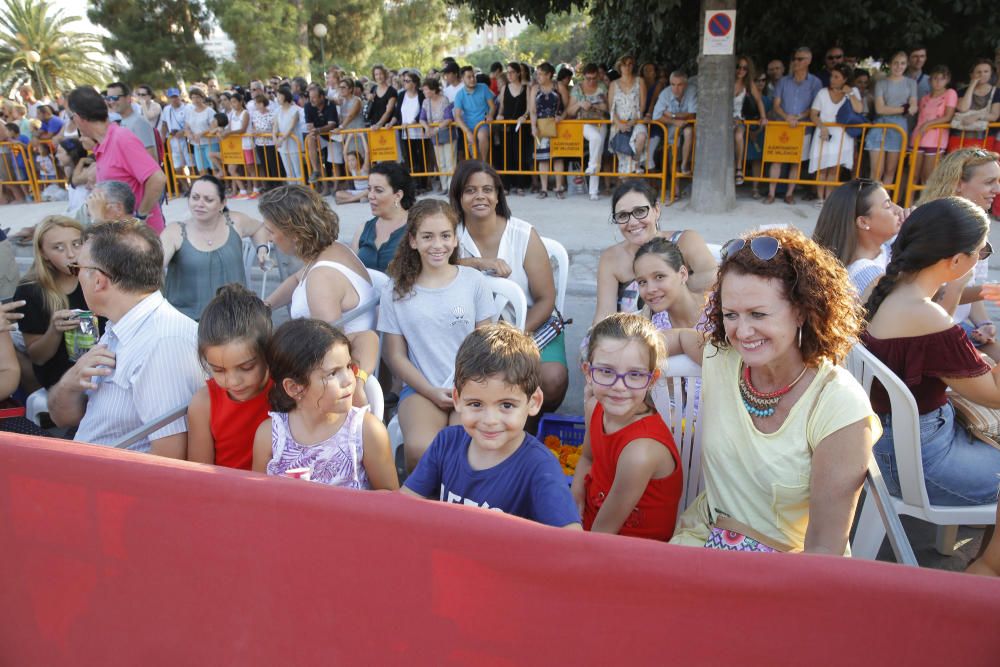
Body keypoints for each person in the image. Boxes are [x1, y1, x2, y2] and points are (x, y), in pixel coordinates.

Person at [671, 228, 879, 554]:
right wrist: (622, 358)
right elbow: (680, 338)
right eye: (730, 315)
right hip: (701, 537)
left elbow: (825, 548)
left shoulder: (839, 406)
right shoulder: (724, 358)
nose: (742, 331)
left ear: (801, 310)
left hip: (784, 567)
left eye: (758, 314)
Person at [863, 197, 1000, 506]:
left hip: (894, 447)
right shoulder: (926, 316)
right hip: (922, 463)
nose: (980, 260)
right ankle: (989, 558)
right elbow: (994, 394)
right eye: (981, 252)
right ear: (955, 261)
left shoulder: (881, 287)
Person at [47, 221, 204, 457]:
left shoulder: (164, 343)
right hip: (87, 476)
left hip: (107, 487)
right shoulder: (118, 327)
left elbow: (170, 461)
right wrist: (70, 382)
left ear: (99, 280)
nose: (76, 275)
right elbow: (63, 418)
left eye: (76, 267)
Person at [401, 323, 580, 528]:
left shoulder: (540, 467)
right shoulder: (446, 443)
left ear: (534, 402)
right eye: (476, 404)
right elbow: (406, 504)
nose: (490, 420)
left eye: (506, 405)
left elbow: (571, 537)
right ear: (457, 399)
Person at [378, 199, 496, 472]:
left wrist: (465, 387)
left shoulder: (473, 281)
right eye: (427, 236)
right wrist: (430, 390)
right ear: (413, 241)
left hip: (470, 385)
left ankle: (459, 509)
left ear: (456, 240)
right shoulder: (396, 290)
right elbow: (394, 354)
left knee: (465, 446)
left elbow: (486, 342)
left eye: (445, 236)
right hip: (421, 387)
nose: (437, 245)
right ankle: (425, 509)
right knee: (421, 449)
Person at [450, 160, 568, 414]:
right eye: (470, 190)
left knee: (552, 379)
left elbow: (547, 299)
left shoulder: (523, 234)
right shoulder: (449, 237)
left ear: (497, 195)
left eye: (487, 189)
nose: (480, 196)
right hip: (470, 333)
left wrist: (512, 340)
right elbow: (432, 269)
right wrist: (477, 263)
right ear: (458, 196)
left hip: (529, 327)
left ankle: (529, 432)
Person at [252, 318, 398, 489]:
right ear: (294, 388)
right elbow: (258, 498)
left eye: (349, 366)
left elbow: (390, 499)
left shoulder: (366, 431)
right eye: (333, 374)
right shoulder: (270, 435)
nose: (349, 380)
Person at [573, 312, 682, 540]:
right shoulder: (594, 407)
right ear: (588, 373)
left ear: (652, 379)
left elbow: (603, 534)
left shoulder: (640, 451)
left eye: (634, 374)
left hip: (630, 551)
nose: (619, 386)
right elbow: (587, 459)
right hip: (593, 524)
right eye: (606, 371)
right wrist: (575, 493)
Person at [593, 179, 717, 322]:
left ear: (656, 210)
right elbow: (604, 316)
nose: (632, 222)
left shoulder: (686, 241)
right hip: (630, 339)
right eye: (622, 216)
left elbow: (715, 285)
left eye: (640, 211)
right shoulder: (611, 258)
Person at [919, 148, 1000, 361]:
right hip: (930, 331)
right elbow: (936, 295)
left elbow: (969, 292)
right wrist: (989, 291)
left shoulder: (978, 225)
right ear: (958, 184)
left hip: (960, 327)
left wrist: (985, 324)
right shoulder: (932, 227)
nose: (997, 189)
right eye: (989, 182)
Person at [12, 215, 108, 393]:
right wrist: (54, 330)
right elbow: (38, 358)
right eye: (58, 248)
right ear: (43, 254)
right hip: (62, 377)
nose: (71, 254)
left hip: (106, 367)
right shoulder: (30, 291)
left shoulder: (101, 277)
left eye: (77, 244)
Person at [187, 284, 273, 470]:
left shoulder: (287, 388)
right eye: (219, 370)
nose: (233, 381)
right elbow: (200, 476)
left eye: (246, 367)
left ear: (267, 353)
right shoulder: (204, 404)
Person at [161, 175, 269, 320]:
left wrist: (262, 248)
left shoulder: (234, 221)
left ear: (222, 203)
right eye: (195, 197)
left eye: (208, 200)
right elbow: (153, 265)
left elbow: (259, 228)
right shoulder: (175, 231)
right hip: (187, 321)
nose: (200, 204)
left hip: (235, 318)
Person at [68, 86, 166, 232]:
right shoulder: (105, 144)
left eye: (71, 118)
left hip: (140, 239)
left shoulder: (121, 139)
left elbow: (157, 178)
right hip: (122, 235)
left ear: (78, 118)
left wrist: (140, 217)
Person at [812, 179, 904, 299]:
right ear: (863, 222)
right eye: (887, 205)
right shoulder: (865, 275)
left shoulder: (885, 246)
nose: (898, 209)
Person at [766, 47, 822, 204]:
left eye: (800, 59)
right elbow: (776, 104)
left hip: (803, 128)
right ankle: (771, 194)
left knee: (796, 162)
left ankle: (789, 194)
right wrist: (787, 117)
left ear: (809, 61)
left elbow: (815, 106)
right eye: (795, 59)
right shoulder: (783, 81)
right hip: (781, 126)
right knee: (776, 160)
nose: (796, 62)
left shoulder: (815, 82)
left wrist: (798, 117)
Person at [808, 63, 863, 205]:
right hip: (824, 133)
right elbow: (813, 114)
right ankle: (820, 198)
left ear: (844, 79)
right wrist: (822, 127)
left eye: (836, 77)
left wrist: (849, 93)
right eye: (832, 76)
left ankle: (828, 199)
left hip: (841, 136)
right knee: (822, 168)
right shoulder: (822, 93)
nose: (832, 79)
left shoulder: (852, 92)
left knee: (834, 168)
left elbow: (859, 109)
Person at [350, 161, 414, 273]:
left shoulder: (416, 228)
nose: (370, 196)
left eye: (378, 190)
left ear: (398, 195)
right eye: (369, 189)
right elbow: (352, 273)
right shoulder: (363, 229)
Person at [632, 237, 707, 332]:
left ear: (683, 274)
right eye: (642, 282)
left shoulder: (720, 309)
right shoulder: (652, 330)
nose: (650, 289)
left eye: (659, 277)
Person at [866, 52, 917, 188]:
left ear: (906, 65)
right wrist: (903, 109)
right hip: (880, 126)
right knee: (877, 171)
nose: (899, 66)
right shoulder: (881, 83)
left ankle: (885, 202)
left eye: (902, 63)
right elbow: (880, 109)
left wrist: (906, 108)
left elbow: (913, 106)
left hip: (899, 129)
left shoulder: (911, 83)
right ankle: (871, 201)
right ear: (890, 64)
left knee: (890, 171)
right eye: (896, 62)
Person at [567, 63, 609, 201]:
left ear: (598, 76)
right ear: (583, 76)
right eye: (588, 78)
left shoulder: (602, 86)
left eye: (594, 78)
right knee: (595, 139)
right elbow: (569, 111)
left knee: (597, 155)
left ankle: (593, 191)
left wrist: (596, 106)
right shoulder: (578, 88)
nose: (591, 81)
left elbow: (609, 107)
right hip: (583, 123)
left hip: (601, 122)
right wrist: (580, 104)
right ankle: (591, 167)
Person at [911, 66, 957, 185]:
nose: (938, 82)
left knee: (929, 176)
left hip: (936, 138)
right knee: (913, 175)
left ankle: (927, 203)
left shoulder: (950, 93)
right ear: (930, 80)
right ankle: (909, 202)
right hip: (919, 136)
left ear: (947, 80)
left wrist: (928, 124)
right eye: (935, 78)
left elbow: (948, 116)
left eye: (942, 79)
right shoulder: (924, 98)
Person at [493, 63, 532, 196]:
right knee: (506, 155)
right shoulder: (504, 88)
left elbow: (529, 108)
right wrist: (499, 114)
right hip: (507, 126)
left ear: (518, 73)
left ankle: (520, 185)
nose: (509, 75)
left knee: (520, 155)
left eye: (512, 72)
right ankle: (506, 185)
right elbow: (502, 107)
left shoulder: (526, 88)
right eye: (507, 72)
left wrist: (524, 116)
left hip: (521, 127)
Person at [652, 71, 697, 177]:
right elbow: (656, 116)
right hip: (671, 128)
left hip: (687, 125)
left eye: (679, 85)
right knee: (673, 153)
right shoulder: (665, 93)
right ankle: (675, 189)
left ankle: (684, 166)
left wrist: (670, 114)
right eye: (673, 84)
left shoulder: (692, 90)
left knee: (689, 132)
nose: (676, 88)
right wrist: (674, 120)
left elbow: (692, 116)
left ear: (685, 85)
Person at [608, 55, 647, 175]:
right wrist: (619, 123)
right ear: (620, 66)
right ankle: (626, 186)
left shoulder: (640, 81)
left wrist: (634, 120)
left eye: (630, 64)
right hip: (619, 124)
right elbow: (611, 108)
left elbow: (642, 105)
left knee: (641, 136)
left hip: (635, 121)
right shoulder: (613, 84)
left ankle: (636, 161)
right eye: (624, 64)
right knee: (624, 165)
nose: (627, 67)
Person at [733, 56, 767, 186]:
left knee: (739, 136)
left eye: (744, 68)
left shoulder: (748, 84)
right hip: (724, 119)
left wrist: (763, 117)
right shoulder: (726, 81)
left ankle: (739, 168)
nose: (741, 70)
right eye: (738, 67)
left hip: (739, 118)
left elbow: (758, 100)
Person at [418, 77, 456, 193]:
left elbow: (449, 118)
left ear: (433, 90)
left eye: (426, 90)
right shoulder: (425, 102)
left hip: (447, 134)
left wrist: (436, 128)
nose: (424, 92)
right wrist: (427, 128)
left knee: (450, 161)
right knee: (440, 162)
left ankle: (451, 187)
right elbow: (421, 118)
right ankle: (444, 187)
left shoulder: (444, 100)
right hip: (435, 135)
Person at [953, 59, 1000, 149]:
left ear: (991, 74)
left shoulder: (997, 92)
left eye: (986, 71)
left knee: (981, 163)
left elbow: (994, 116)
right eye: (978, 72)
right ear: (972, 74)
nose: (982, 74)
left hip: (984, 137)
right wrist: (972, 85)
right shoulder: (962, 91)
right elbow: (963, 108)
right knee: (958, 163)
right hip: (959, 136)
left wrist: (977, 116)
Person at [453, 65, 495, 161]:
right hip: (469, 127)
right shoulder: (459, 95)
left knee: (482, 136)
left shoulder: (483, 87)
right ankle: (480, 166)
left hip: (482, 124)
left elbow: (492, 106)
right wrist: (467, 132)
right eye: (469, 77)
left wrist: (490, 115)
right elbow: (457, 116)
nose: (472, 79)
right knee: (474, 155)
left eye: (474, 76)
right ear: (462, 79)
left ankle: (483, 164)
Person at [105, 82, 157, 162]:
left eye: (115, 97)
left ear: (128, 98)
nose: (111, 102)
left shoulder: (139, 123)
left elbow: (151, 159)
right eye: (109, 98)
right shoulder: (124, 121)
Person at [304, 85, 339, 190]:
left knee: (335, 162)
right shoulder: (308, 106)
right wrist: (313, 132)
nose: (311, 100)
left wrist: (318, 130)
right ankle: (316, 171)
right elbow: (309, 125)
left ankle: (336, 187)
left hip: (334, 135)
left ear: (322, 97)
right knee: (310, 139)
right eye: (310, 97)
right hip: (319, 135)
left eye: (314, 97)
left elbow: (332, 124)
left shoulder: (330, 104)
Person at [161, 88, 194, 195]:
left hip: (187, 140)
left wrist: (183, 131)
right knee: (177, 167)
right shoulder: (166, 109)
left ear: (179, 96)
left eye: (176, 96)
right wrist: (162, 139)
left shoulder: (188, 108)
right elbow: (164, 124)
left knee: (191, 165)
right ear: (168, 98)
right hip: (173, 141)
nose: (174, 99)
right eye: (172, 97)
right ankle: (186, 188)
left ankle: (194, 188)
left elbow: (192, 123)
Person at [184, 87, 217, 176]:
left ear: (202, 98)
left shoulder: (209, 111)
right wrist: (189, 135)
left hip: (210, 143)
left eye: (198, 97)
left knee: (214, 169)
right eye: (193, 97)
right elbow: (186, 127)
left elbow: (213, 127)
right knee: (202, 169)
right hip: (197, 144)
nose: (196, 100)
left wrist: (201, 133)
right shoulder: (190, 112)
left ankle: (218, 188)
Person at [366, 64, 397, 130]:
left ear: (385, 74)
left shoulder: (392, 91)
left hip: (387, 127)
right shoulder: (373, 89)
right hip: (373, 127)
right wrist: (368, 96)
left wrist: (379, 124)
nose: (379, 77)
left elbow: (389, 111)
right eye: (376, 74)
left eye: (381, 74)